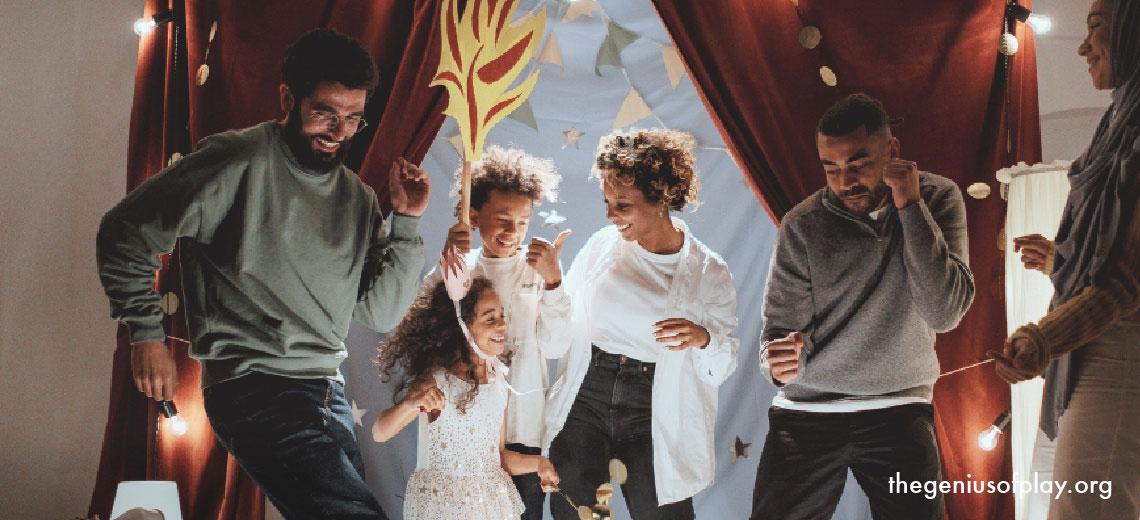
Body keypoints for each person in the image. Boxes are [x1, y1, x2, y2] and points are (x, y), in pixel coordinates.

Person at [95, 28, 428, 519]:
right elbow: (124, 231)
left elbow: (380, 310)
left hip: (325, 390)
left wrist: (409, 223)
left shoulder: (357, 199)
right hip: (254, 387)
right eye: (324, 114)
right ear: (288, 99)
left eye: (353, 119)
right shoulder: (236, 160)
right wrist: (146, 334)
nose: (339, 132)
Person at [752, 93, 975, 519]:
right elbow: (777, 334)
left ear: (892, 151)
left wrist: (910, 205)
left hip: (899, 406)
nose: (844, 180)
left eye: (857, 163)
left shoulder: (937, 198)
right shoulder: (802, 226)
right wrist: (777, 363)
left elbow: (944, 312)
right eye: (831, 168)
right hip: (807, 410)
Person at [545, 128, 739, 519]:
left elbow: (722, 365)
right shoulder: (603, 246)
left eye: (623, 204)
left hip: (652, 405)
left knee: (663, 512)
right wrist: (552, 282)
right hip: (589, 392)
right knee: (576, 512)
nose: (610, 214)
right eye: (606, 201)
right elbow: (561, 328)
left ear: (661, 197)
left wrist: (703, 338)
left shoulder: (708, 271)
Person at [997, 1, 1140, 517]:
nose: (1083, 47)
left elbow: (1126, 284)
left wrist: (1042, 337)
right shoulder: (1123, 119)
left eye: (1097, 29)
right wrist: (1064, 263)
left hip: (1123, 358)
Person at [424, 145, 570, 520]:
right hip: (470, 426)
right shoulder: (460, 268)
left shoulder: (538, 270)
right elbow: (422, 330)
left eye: (522, 222)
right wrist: (446, 266)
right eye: (503, 219)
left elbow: (556, 345)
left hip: (524, 425)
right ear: (474, 216)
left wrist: (554, 283)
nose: (512, 231)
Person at [373, 278, 560, 520]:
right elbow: (379, 432)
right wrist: (411, 405)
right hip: (445, 507)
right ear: (463, 327)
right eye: (490, 319)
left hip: (489, 505)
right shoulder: (438, 380)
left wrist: (539, 464)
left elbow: (498, 457)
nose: (502, 325)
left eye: (502, 316)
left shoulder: (498, 383)